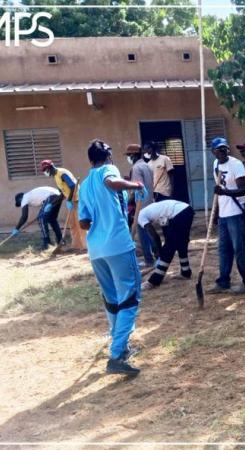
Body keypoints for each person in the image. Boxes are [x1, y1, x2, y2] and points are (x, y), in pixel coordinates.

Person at [78, 139, 145, 376]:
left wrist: (100, 218)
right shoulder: (109, 169)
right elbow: (112, 182)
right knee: (130, 298)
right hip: (117, 245)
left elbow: (84, 222)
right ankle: (116, 354)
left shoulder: (84, 185)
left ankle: (121, 345)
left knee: (113, 300)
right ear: (107, 155)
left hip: (96, 250)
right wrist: (135, 185)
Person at [207, 137, 245, 295]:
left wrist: (226, 192)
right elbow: (218, 191)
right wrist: (215, 213)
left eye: (224, 149)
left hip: (236, 213)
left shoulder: (236, 165)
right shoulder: (215, 165)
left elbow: (242, 190)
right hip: (223, 214)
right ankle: (223, 281)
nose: (222, 152)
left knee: (239, 249)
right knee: (224, 249)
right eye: (218, 150)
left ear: (228, 150)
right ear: (213, 152)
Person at [139, 199, 194, 290]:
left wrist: (160, 252)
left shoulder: (139, 216)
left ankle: (154, 281)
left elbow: (154, 235)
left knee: (169, 247)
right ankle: (186, 272)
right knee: (181, 243)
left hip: (179, 213)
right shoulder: (149, 210)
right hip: (187, 210)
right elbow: (164, 229)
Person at [39, 160, 86, 250]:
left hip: (77, 200)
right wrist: (51, 205)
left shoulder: (62, 173)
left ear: (50, 168)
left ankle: (86, 247)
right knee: (73, 225)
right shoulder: (56, 177)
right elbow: (62, 193)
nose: (45, 172)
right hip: (71, 201)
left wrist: (69, 200)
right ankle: (76, 246)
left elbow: (72, 186)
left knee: (80, 224)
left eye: (45, 170)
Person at [125, 144, 156, 267]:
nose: (127, 158)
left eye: (128, 155)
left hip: (140, 205)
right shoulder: (147, 166)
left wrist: (128, 201)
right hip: (149, 202)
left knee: (142, 234)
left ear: (132, 156)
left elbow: (138, 188)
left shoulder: (137, 168)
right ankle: (156, 255)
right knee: (149, 232)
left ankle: (149, 260)